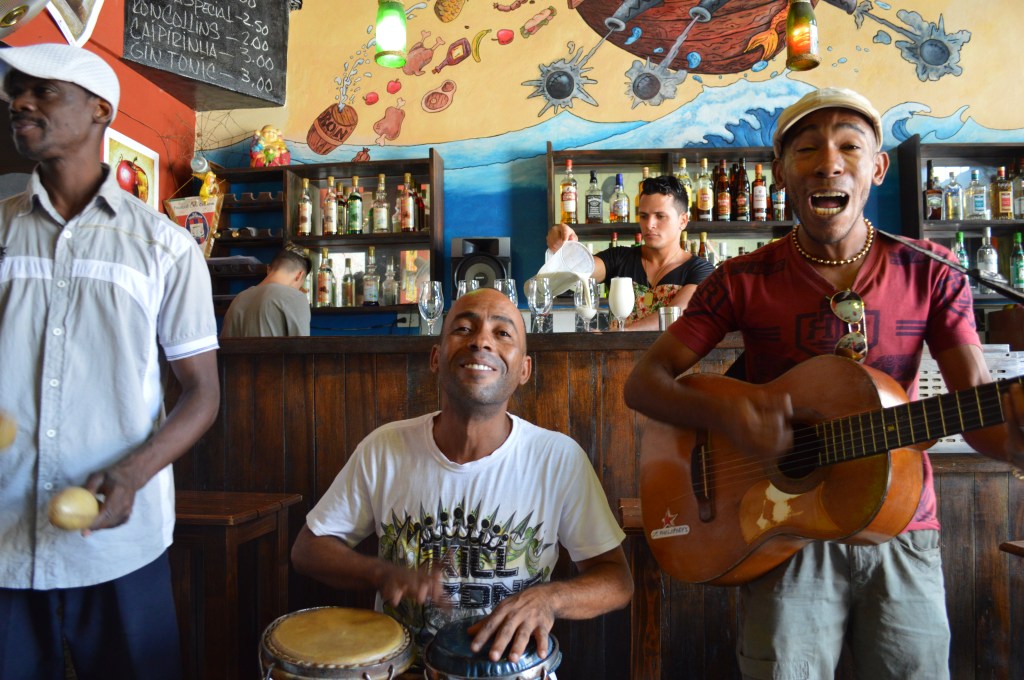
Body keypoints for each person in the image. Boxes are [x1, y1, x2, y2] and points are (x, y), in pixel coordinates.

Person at [623, 87, 1024, 680]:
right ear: (781, 173)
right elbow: (645, 384)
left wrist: (1017, 438)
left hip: (901, 528)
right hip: (784, 532)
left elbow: (980, 414)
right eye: (806, 149)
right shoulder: (741, 278)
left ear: (877, 168)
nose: (827, 162)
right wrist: (732, 417)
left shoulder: (932, 270)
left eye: (848, 146)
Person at [0, 44, 220, 679]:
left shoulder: (166, 249)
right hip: (7, 541)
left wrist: (133, 473)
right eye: (16, 91)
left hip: (123, 548)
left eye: (43, 91)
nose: (20, 102)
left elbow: (201, 394)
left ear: (100, 109)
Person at [292, 287, 633, 665]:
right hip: (404, 669)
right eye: (464, 329)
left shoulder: (557, 458)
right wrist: (380, 572)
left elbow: (617, 580)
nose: (480, 341)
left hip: (512, 670)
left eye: (502, 333)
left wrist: (549, 599)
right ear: (437, 358)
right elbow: (308, 549)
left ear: (524, 369)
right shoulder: (384, 448)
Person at [546, 174, 714, 330]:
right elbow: (579, 269)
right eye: (643, 216)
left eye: (660, 216)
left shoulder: (701, 270)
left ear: (683, 220)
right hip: (618, 361)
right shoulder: (619, 258)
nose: (649, 224)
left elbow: (675, 315)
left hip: (672, 361)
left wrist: (619, 335)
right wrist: (560, 238)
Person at [221, 245, 312, 338]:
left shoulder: (239, 298)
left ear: (268, 269)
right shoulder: (295, 297)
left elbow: (225, 345)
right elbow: (301, 349)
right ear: (299, 275)